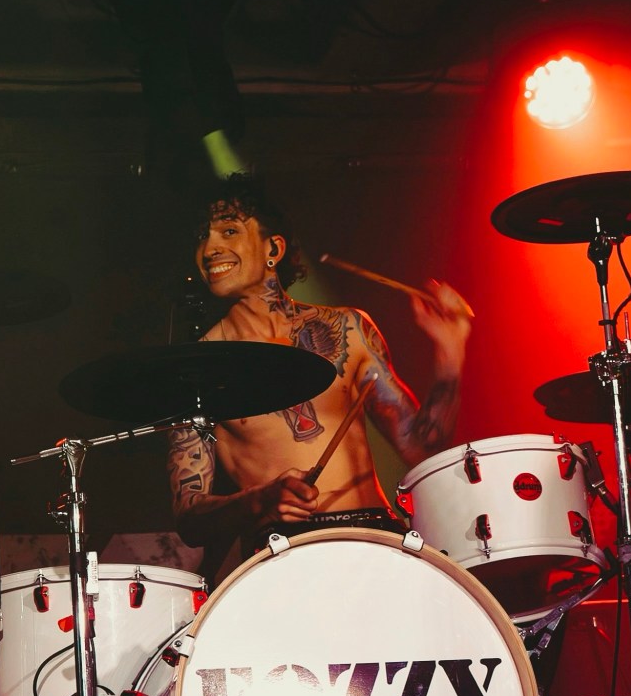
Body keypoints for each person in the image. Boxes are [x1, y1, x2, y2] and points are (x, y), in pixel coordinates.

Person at [167, 173, 472, 579]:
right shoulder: (197, 367)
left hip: (375, 540)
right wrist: (259, 500)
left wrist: (450, 353)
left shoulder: (349, 328)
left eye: (229, 231)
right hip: (280, 554)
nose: (209, 249)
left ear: (273, 248)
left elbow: (421, 449)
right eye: (202, 237)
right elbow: (189, 516)